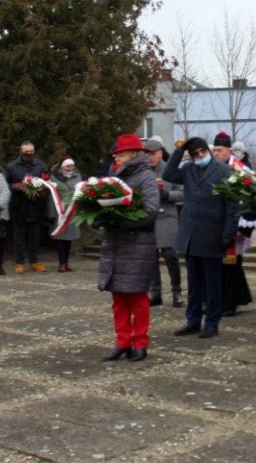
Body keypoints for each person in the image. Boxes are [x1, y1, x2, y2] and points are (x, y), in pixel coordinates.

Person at [163, 136, 239, 338]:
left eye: (202, 151)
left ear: (208, 151)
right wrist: (180, 150)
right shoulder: (189, 169)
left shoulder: (224, 171)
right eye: (195, 153)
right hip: (191, 233)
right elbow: (168, 174)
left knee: (212, 284)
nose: (200, 155)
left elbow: (233, 205)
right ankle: (193, 320)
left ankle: (212, 322)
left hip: (212, 233)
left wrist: (229, 233)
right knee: (194, 281)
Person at [98, 134, 160, 363]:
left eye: (121, 154)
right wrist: (99, 216)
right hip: (115, 243)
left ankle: (140, 343)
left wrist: (123, 221)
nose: (116, 157)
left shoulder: (146, 176)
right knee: (118, 297)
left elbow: (150, 210)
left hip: (137, 243)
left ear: (133, 154)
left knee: (137, 297)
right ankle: (122, 342)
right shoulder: (114, 176)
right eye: (116, 155)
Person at [210, 132, 253, 316]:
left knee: (232, 265)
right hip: (216, 224)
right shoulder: (213, 168)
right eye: (214, 150)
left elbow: (248, 200)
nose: (216, 154)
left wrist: (243, 227)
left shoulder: (240, 170)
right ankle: (221, 300)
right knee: (217, 265)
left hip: (236, 225)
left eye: (220, 150)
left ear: (229, 150)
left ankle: (230, 303)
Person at [144, 138, 184, 307]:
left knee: (170, 255)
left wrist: (168, 195)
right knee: (151, 257)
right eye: (147, 154)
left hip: (167, 216)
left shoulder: (170, 170)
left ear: (160, 153)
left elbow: (183, 193)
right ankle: (155, 292)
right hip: (149, 217)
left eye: (153, 154)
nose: (150, 157)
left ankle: (176, 291)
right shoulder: (143, 172)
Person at [4, 141, 50, 273]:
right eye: (26, 152)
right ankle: (19, 262)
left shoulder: (41, 166)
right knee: (18, 237)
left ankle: (34, 261)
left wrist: (38, 189)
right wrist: (19, 187)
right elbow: (5, 183)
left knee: (34, 237)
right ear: (21, 151)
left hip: (36, 207)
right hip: (18, 206)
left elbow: (47, 184)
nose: (28, 154)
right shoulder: (11, 166)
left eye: (31, 152)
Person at [51, 158, 82, 272]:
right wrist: (50, 212)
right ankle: (61, 263)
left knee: (69, 238)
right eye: (67, 166)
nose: (69, 168)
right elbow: (52, 195)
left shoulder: (77, 176)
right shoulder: (54, 178)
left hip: (72, 210)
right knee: (60, 238)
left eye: (71, 166)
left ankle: (66, 262)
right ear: (62, 167)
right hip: (59, 210)